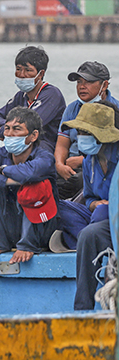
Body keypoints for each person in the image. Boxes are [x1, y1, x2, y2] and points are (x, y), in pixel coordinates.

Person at [0, 107, 58, 266]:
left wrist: (2, 170)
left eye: (17, 129)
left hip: (42, 228)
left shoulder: (44, 155)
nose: (9, 134)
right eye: (7, 129)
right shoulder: (2, 153)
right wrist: (7, 180)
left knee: (33, 185)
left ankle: (27, 245)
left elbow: (30, 173)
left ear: (33, 135)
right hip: (12, 222)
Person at [62, 102, 119, 310]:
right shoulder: (89, 161)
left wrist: (109, 206)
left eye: (86, 131)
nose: (80, 136)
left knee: (91, 231)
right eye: (80, 131)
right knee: (85, 229)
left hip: (115, 219)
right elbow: (89, 198)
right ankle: (82, 309)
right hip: (100, 218)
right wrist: (97, 204)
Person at [56, 61, 118, 199]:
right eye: (79, 82)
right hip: (69, 166)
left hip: (95, 166)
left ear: (105, 85)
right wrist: (60, 165)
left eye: (88, 82)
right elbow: (61, 144)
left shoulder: (114, 110)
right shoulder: (72, 108)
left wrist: (81, 161)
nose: (82, 87)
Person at [0, 46, 66, 154]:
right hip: (21, 143)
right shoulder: (21, 96)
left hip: (45, 146)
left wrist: (3, 130)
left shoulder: (52, 94)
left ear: (41, 74)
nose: (22, 75)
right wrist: (8, 128)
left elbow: (30, 125)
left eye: (28, 70)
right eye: (18, 69)